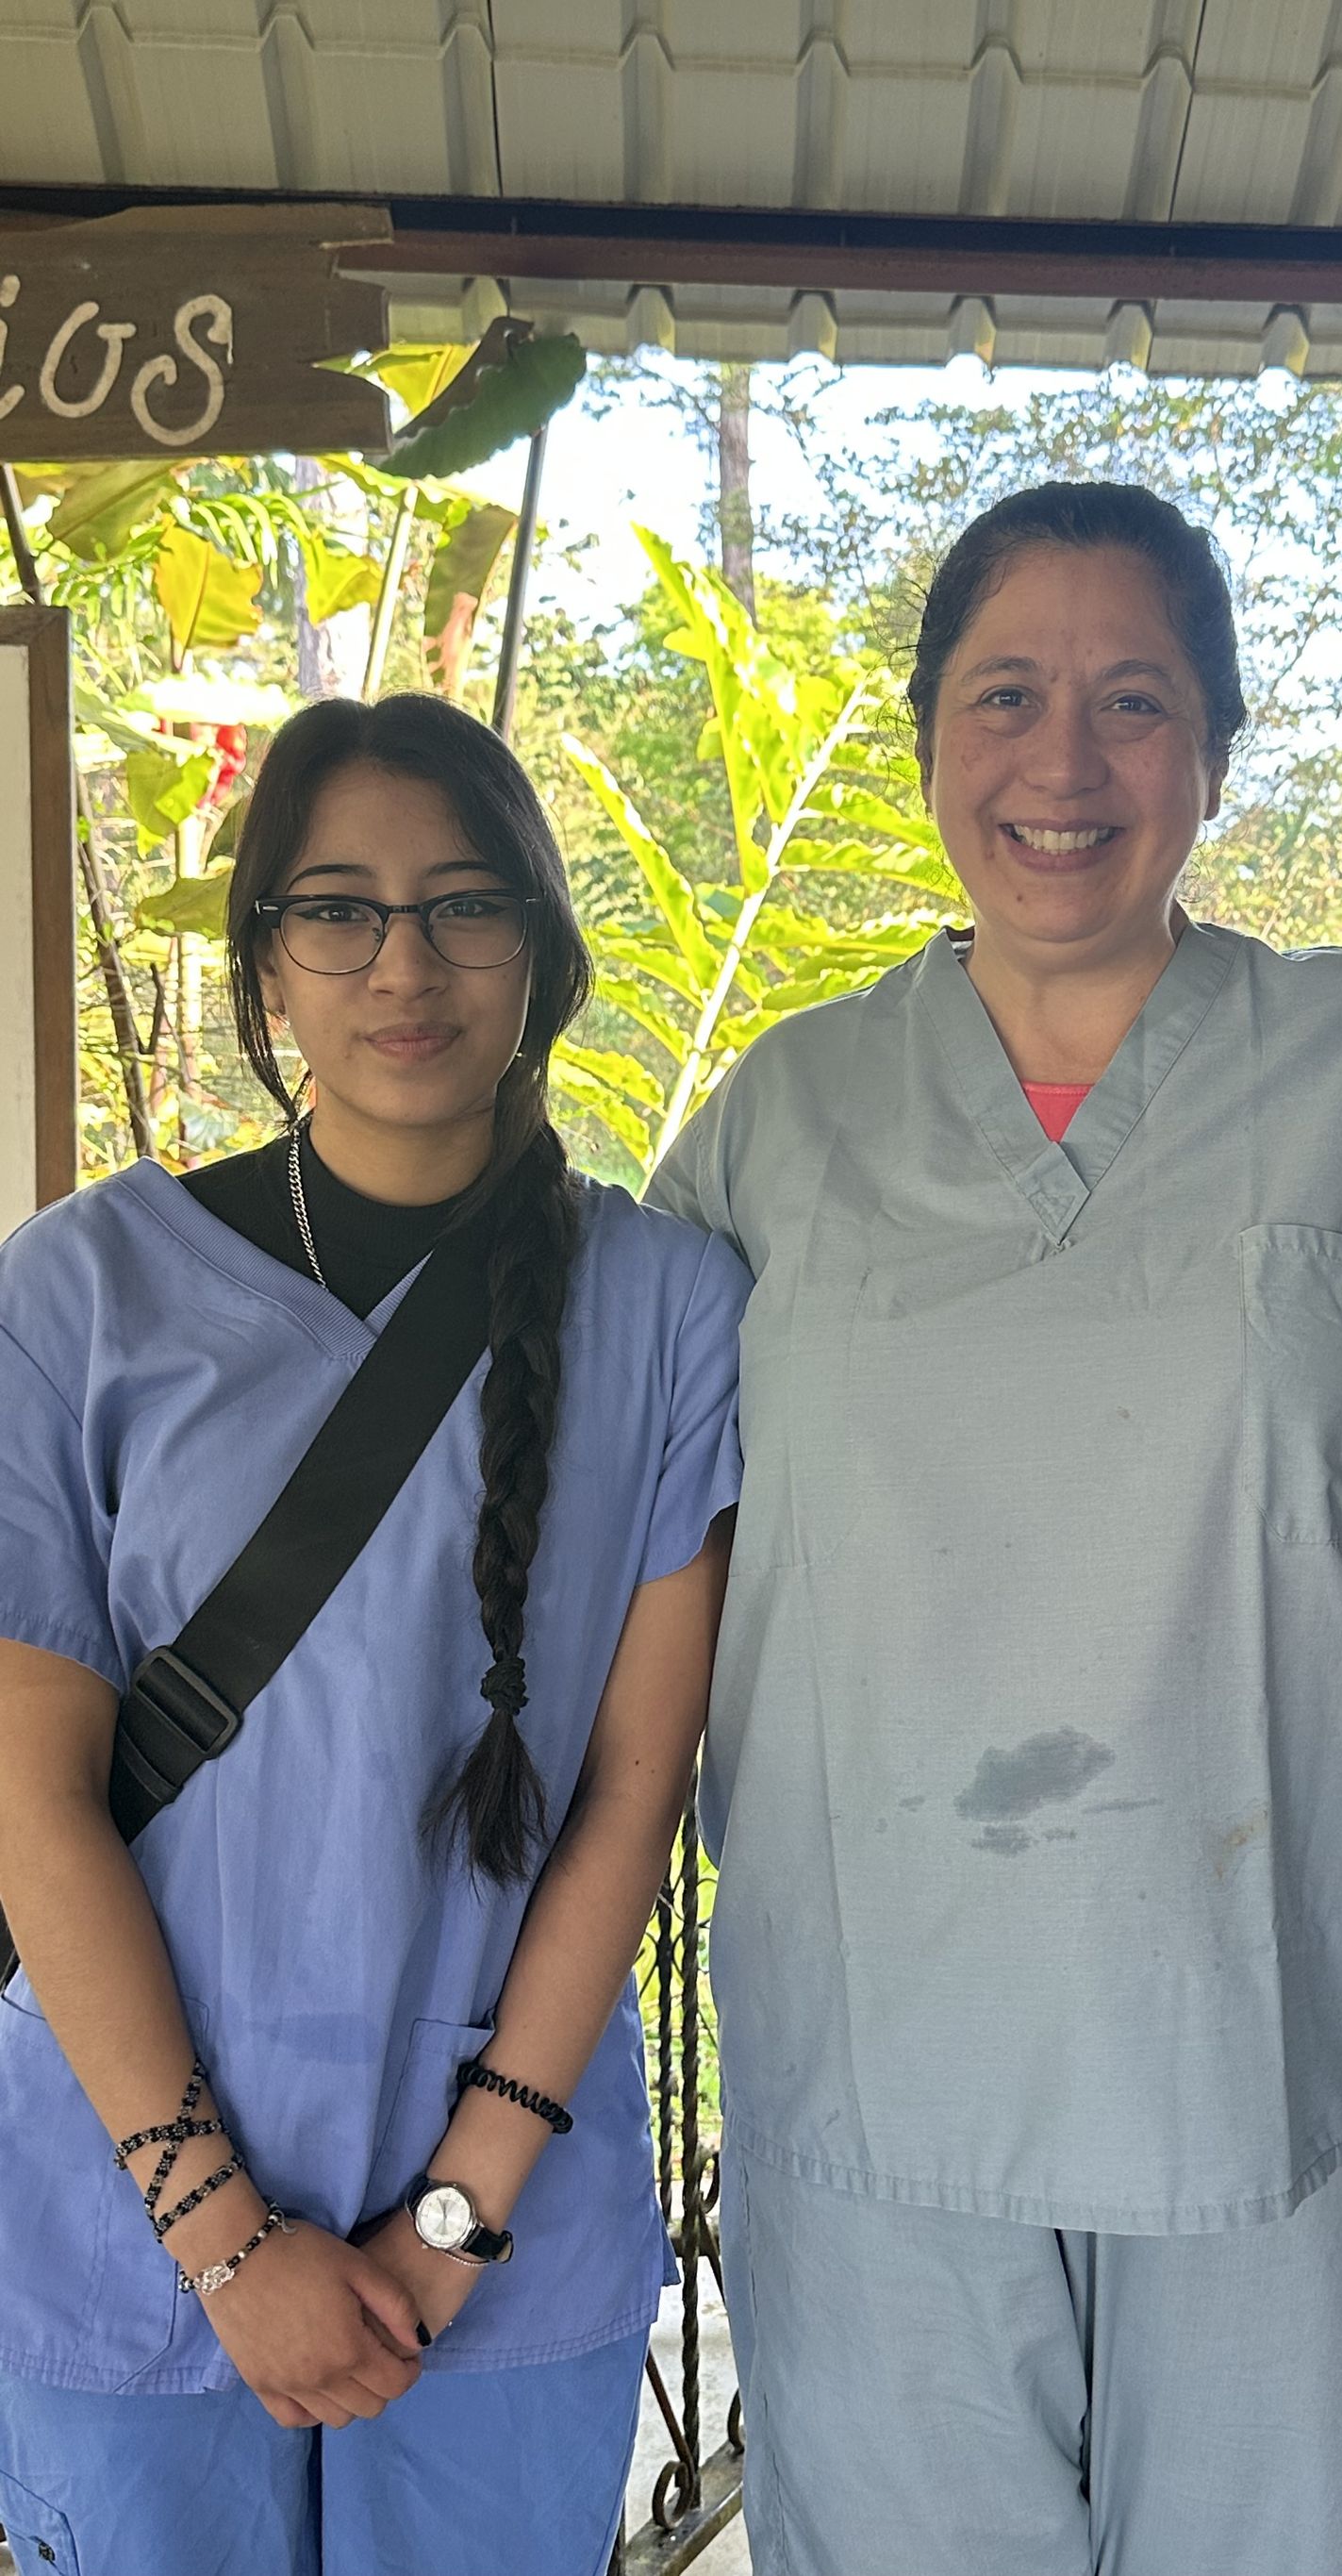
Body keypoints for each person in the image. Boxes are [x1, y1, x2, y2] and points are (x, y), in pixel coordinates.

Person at [647, 480, 1342, 2576]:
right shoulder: (779, 1115)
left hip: (1271, 2035)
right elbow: (626, 1551)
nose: (1065, 762)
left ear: (1214, 746)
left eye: (1134, 700)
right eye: (1006, 693)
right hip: (881, 2050)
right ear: (930, 734)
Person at [0, 695, 748, 2575]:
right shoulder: (79, 1293)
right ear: (263, 964)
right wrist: (230, 2245)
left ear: (540, 951)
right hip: (129, 2199)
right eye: (335, 909)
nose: (401, 962)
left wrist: (454, 2211)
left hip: (507, 2219)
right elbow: (36, 1808)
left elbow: (627, 1796)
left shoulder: (668, 1307)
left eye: (463, 903)